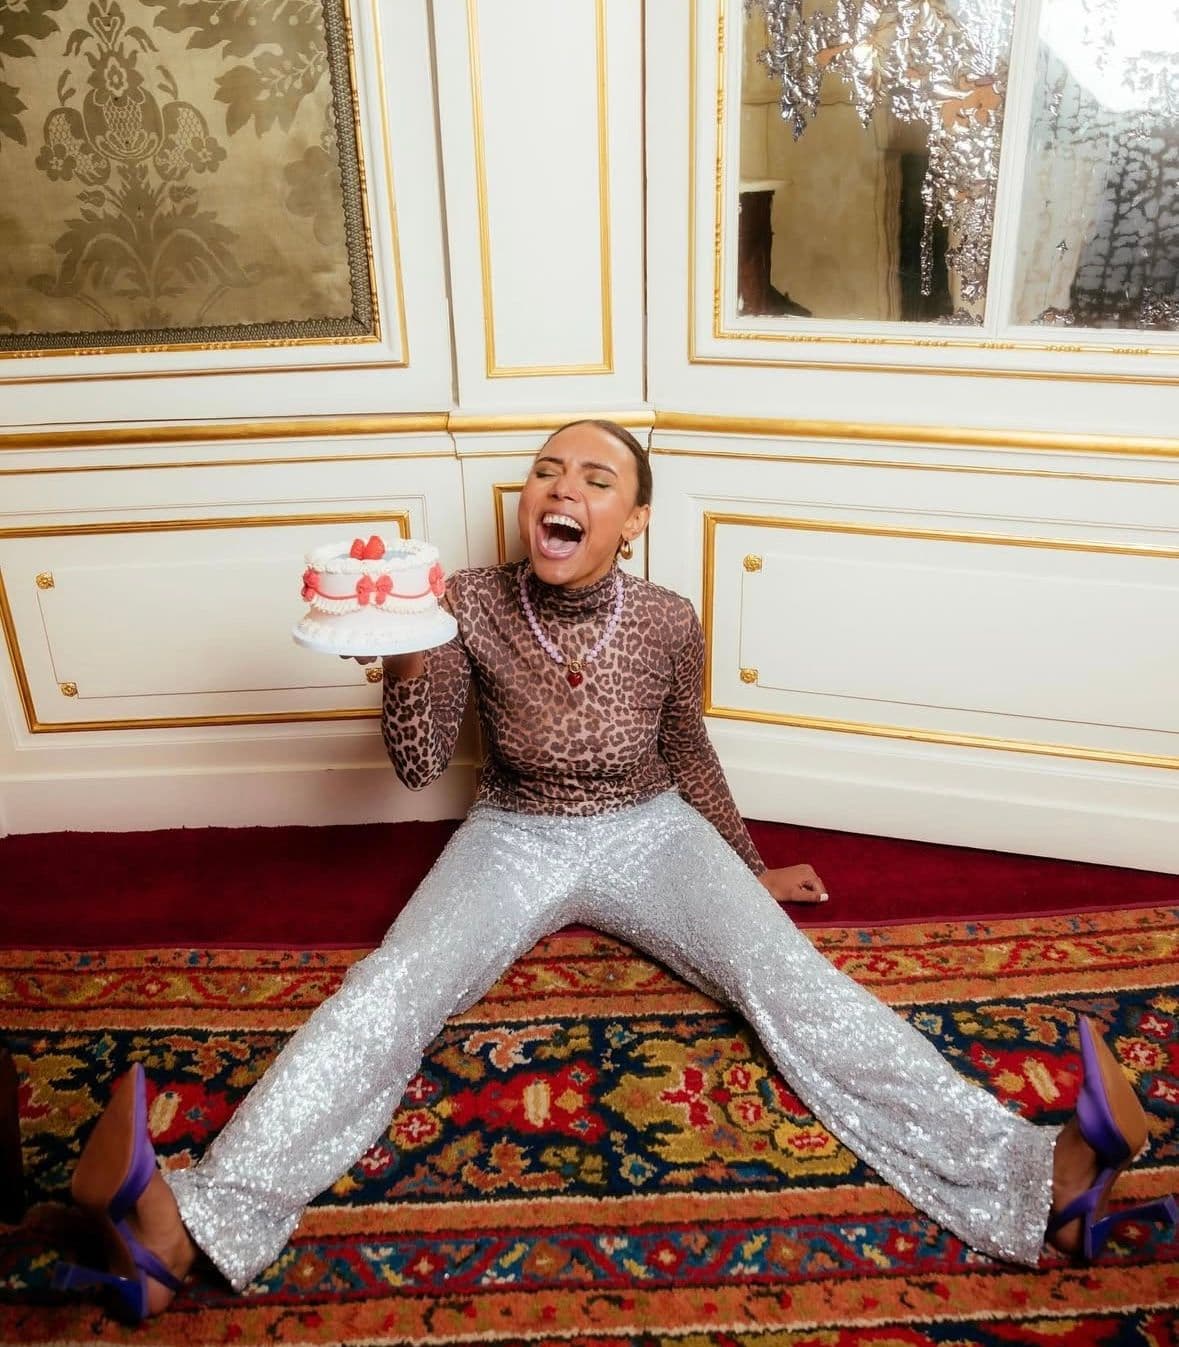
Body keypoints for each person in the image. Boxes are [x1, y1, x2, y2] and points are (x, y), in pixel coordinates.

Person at [54, 420, 1177, 1322]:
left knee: (791, 981)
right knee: (388, 991)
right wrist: (400, 667)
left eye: (597, 478)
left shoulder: (669, 619)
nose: (564, 486)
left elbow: (688, 748)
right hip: (512, 833)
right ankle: (179, 1231)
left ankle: (1043, 1179)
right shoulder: (463, 602)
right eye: (549, 470)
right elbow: (416, 766)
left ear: (632, 520)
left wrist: (747, 868)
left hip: (652, 830)